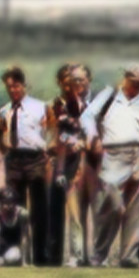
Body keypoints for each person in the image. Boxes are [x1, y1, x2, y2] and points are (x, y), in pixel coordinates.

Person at [82, 65, 139, 266]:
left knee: (135, 207)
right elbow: (87, 116)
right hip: (113, 153)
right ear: (126, 79)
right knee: (112, 205)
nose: (138, 86)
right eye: (135, 82)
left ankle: (129, 256)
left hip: (137, 153)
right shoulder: (110, 95)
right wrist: (93, 137)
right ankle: (99, 254)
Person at [0, 66, 52, 266]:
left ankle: (40, 254)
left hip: (35, 158)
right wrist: (4, 150)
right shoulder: (5, 111)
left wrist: (48, 151)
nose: (13, 90)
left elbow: (51, 130)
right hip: (14, 159)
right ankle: (14, 251)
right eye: (9, 87)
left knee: (39, 208)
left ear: (23, 85)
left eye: (16, 86)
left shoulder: (39, 107)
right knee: (13, 207)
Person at [50, 64, 92, 266]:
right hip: (69, 162)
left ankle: (93, 254)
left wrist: (85, 142)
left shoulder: (90, 104)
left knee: (92, 210)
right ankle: (76, 254)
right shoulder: (57, 106)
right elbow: (56, 137)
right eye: (69, 79)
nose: (73, 83)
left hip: (92, 161)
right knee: (74, 211)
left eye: (77, 79)